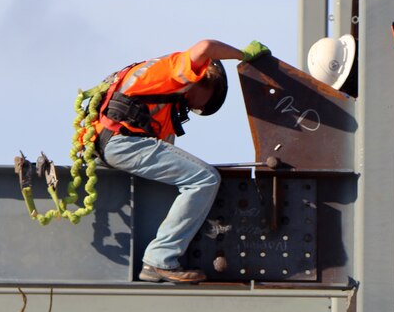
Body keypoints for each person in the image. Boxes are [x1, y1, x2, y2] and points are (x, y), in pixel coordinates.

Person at [93, 39, 270, 283]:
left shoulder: (160, 91)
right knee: (204, 179)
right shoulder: (175, 71)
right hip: (122, 144)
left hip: (111, 142)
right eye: (206, 103)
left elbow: (167, 152)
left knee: (195, 175)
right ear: (203, 80)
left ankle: (155, 263)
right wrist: (243, 55)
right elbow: (206, 47)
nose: (199, 108)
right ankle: (160, 259)